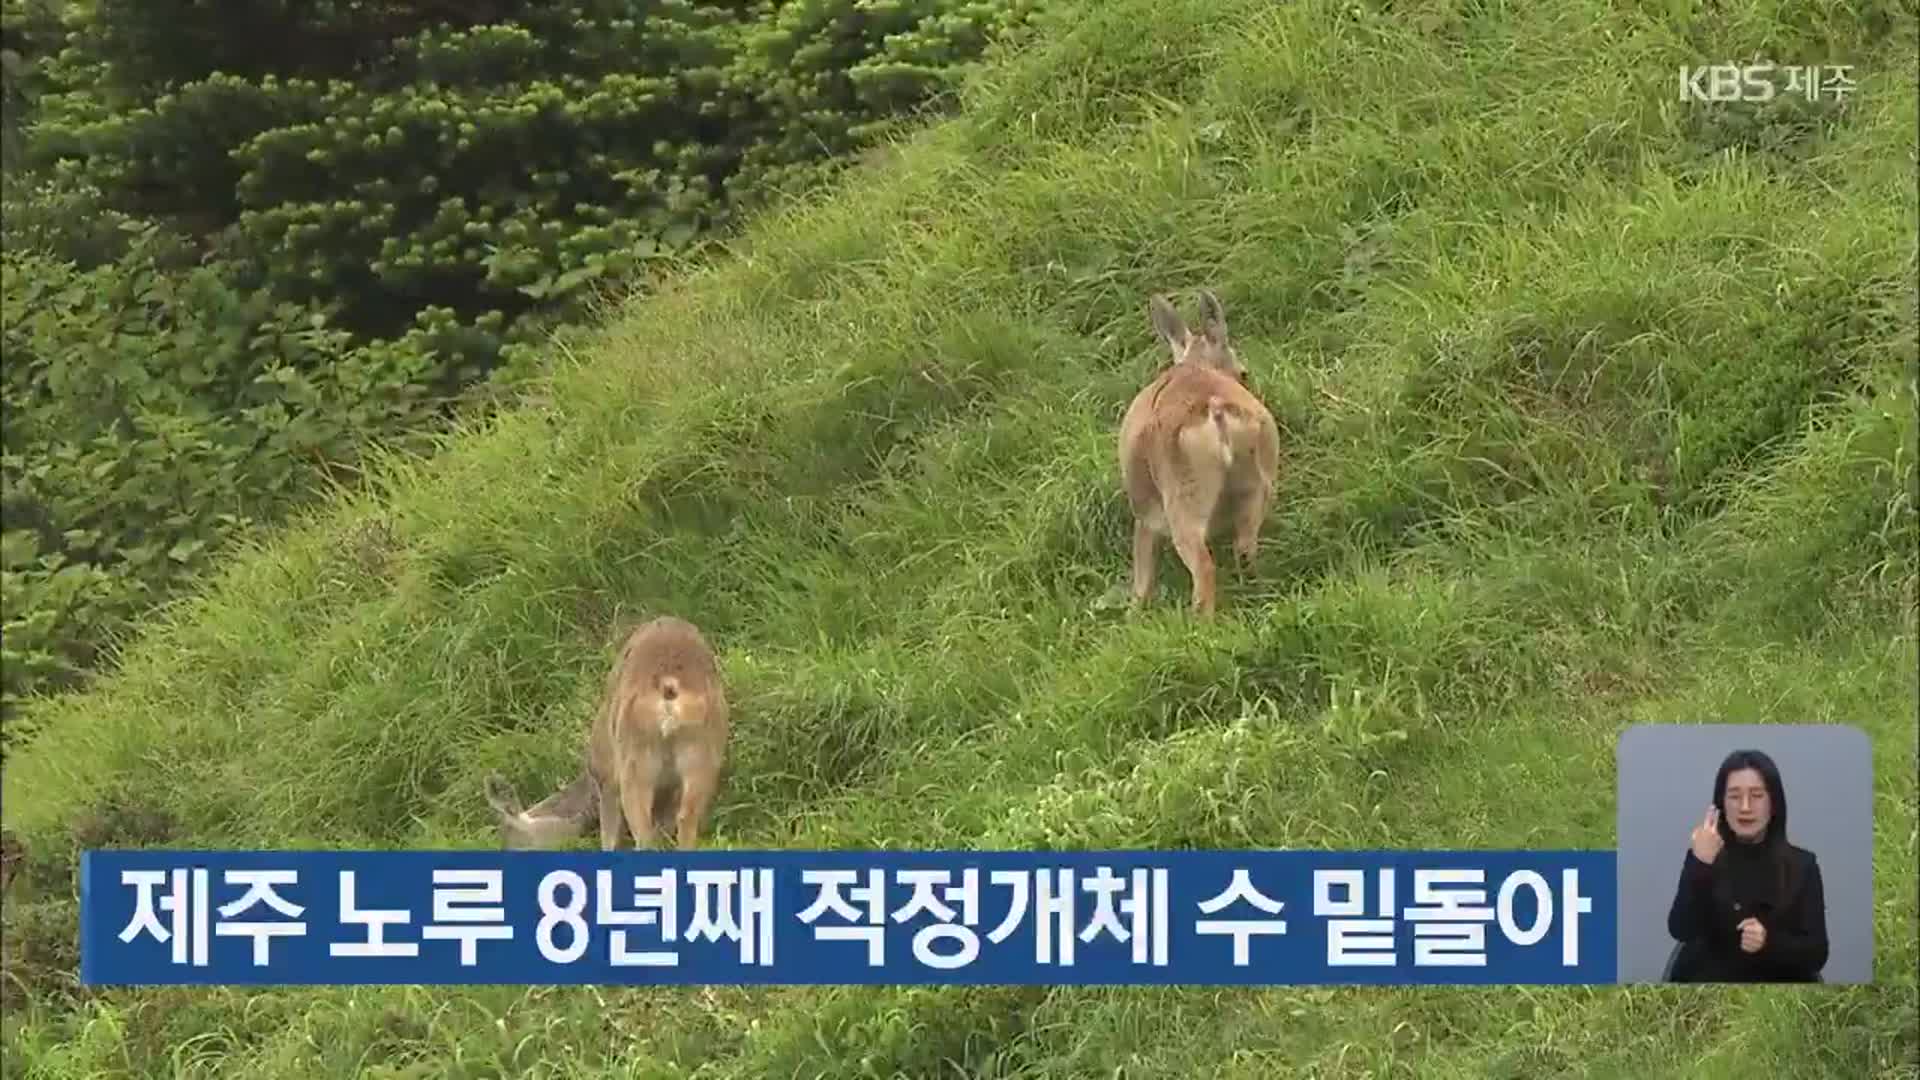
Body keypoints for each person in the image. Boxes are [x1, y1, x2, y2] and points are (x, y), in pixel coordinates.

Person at [1665, 748, 1829, 982]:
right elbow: (1681, 929)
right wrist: (1700, 863)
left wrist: (1767, 942)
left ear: (1774, 803)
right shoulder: (1705, 856)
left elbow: (1817, 954)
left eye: (1756, 795)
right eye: (1734, 796)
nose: (1745, 807)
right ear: (1721, 804)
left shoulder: (1802, 865)